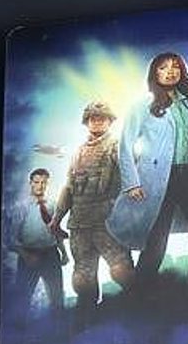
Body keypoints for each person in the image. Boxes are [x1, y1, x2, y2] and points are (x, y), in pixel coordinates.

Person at [110, 52, 188, 290]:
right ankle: (141, 290)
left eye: (176, 67)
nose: (170, 71)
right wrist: (132, 183)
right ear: (154, 73)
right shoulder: (142, 105)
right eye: (163, 67)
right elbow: (126, 146)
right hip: (158, 179)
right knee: (156, 236)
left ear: (182, 72)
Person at [53, 101, 133, 305]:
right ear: (86, 122)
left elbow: (132, 179)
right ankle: (88, 316)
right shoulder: (78, 152)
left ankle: (140, 309)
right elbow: (68, 188)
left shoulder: (117, 146)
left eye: (102, 118)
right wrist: (56, 220)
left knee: (122, 271)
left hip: (108, 222)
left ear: (110, 121)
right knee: (82, 280)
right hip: (80, 224)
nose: (97, 121)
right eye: (92, 118)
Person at [9, 168, 65, 310]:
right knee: (23, 298)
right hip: (29, 255)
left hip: (51, 254)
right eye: (37, 182)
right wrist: (25, 255)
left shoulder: (52, 205)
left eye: (43, 182)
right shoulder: (21, 207)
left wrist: (64, 252)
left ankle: (59, 322)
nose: (40, 186)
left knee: (57, 297)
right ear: (31, 183)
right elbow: (10, 238)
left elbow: (55, 231)